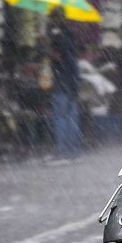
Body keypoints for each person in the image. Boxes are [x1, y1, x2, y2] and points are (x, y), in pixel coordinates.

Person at [48, 11, 82, 157]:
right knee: (72, 117)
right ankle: (73, 150)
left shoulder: (58, 39)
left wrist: (48, 50)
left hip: (61, 83)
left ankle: (62, 149)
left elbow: (57, 57)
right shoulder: (72, 39)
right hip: (73, 82)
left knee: (61, 117)